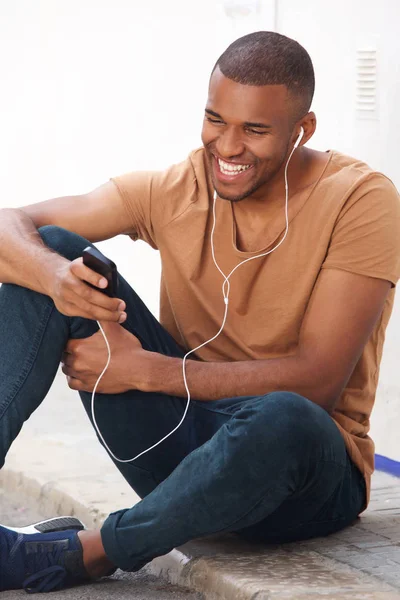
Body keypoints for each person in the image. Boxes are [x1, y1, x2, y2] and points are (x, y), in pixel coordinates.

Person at [1, 30, 399, 594]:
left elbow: (320, 382)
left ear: (302, 129)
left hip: (302, 477)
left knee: (284, 415)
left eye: (255, 130)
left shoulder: (360, 200)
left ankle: (89, 553)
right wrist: (54, 277)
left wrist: (145, 371)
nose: (228, 147)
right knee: (51, 249)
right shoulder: (175, 188)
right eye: (216, 120)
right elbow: (8, 224)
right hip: (179, 446)